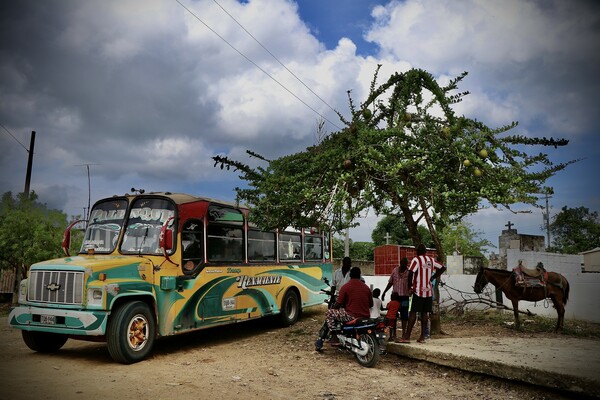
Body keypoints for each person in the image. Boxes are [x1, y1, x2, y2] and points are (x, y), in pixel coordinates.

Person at [398, 244, 446, 344]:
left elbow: (411, 273)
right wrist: (434, 277)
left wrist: (410, 287)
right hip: (428, 291)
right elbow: (443, 267)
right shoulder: (431, 260)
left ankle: (406, 337)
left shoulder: (416, 260)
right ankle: (422, 337)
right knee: (425, 314)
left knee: (413, 313)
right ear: (425, 252)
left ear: (417, 251)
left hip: (418, 291)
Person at [322, 266, 373, 342]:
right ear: (359, 275)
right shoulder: (366, 288)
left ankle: (334, 335)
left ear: (350, 275)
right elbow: (371, 304)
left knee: (329, 313)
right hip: (365, 316)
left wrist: (334, 309)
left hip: (351, 316)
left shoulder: (346, 287)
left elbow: (338, 303)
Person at [381, 257, 410, 336]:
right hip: (395, 298)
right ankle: (393, 334)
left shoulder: (409, 272)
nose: (404, 266)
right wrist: (384, 292)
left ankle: (404, 333)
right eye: (402, 264)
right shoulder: (395, 271)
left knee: (404, 316)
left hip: (405, 297)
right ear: (400, 263)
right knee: (393, 316)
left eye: (405, 264)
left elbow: (412, 284)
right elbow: (390, 283)